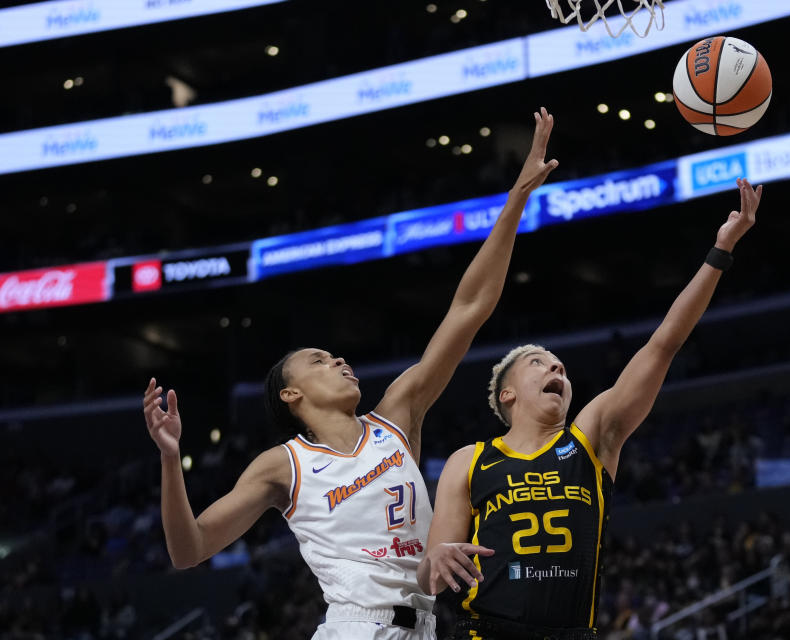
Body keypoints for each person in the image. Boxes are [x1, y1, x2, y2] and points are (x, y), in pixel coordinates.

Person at [142, 107, 560, 640]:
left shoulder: (398, 414)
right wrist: (171, 459)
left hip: (424, 629)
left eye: (336, 356)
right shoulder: (283, 465)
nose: (339, 360)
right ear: (291, 394)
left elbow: (469, 305)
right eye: (319, 360)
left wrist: (516, 199)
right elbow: (189, 550)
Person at [418, 179, 763, 640]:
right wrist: (434, 560)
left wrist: (721, 251)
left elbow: (664, 344)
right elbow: (430, 575)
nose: (555, 365)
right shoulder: (470, 460)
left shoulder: (592, 437)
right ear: (507, 394)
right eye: (537, 362)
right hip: (484, 631)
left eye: (559, 364)